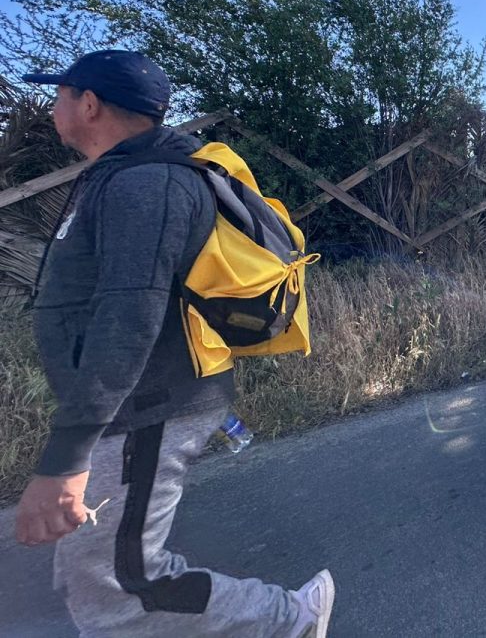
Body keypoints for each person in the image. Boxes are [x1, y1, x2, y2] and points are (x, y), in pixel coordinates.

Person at [15, 51, 334, 637]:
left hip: (149, 403)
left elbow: (128, 316)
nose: (52, 105)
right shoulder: (122, 175)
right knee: (96, 575)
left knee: (123, 582)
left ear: (89, 104)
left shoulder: (147, 184)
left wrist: (67, 456)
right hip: (132, 405)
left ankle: (290, 618)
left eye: (60, 93)